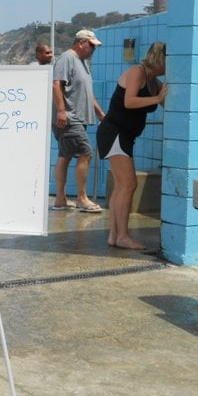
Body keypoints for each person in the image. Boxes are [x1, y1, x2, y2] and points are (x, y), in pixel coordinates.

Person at [96, 41, 168, 250]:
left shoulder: (154, 81)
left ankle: (114, 235)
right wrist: (157, 97)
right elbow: (129, 101)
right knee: (129, 185)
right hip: (114, 132)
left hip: (124, 136)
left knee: (121, 187)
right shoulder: (138, 72)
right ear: (160, 59)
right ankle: (123, 237)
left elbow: (166, 100)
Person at [51, 29, 106, 212]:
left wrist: (100, 114)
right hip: (69, 118)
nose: (93, 50)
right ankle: (82, 198)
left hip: (76, 118)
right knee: (86, 153)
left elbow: (87, 94)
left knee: (65, 156)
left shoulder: (83, 63)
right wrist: (61, 111)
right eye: (91, 46)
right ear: (81, 43)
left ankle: (60, 199)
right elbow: (56, 83)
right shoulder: (67, 58)